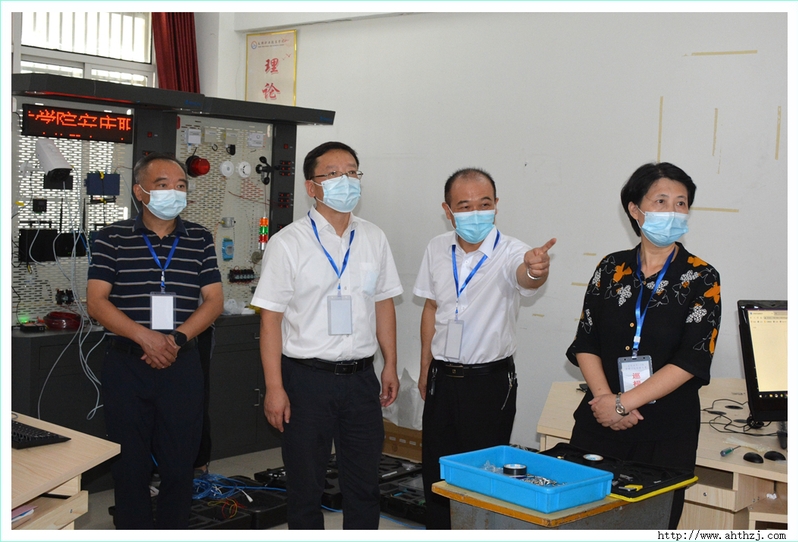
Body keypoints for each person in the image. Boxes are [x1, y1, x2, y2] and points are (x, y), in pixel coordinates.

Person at [250, 141, 403, 529]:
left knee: (364, 484)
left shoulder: (374, 237)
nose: (345, 180)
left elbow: (383, 303)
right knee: (306, 486)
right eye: (333, 174)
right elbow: (270, 322)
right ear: (311, 186)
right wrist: (274, 387)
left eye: (352, 172)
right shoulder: (288, 243)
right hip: (306, 380)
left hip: (361, 379)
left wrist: (390, 364)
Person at [566, 162, 721, 529]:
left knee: (651, 523)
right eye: (661, 201)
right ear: (635, 211)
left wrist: (623, 404)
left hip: (666, 431)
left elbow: (692, 359)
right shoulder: (610, 268)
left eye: (681, 203)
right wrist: (607, 402)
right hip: (600, 420)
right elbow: (586, 340)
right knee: (583, 521)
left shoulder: (702, 277)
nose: (673, 211)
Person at [413, 167, 556, 529]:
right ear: (448, 210)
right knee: (437, 471)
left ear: (496, 205)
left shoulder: (514, 252)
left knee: (483, 476)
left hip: (488, 382)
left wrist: (536, 270)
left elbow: (526, 277)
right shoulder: (436, 248)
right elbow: (431, 308)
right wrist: (425, 366)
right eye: (465, 205)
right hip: (442, 377)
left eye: (484, 203)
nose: (475, 212)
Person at [87, 153, 224, 529]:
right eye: (163, 185)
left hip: (182, 364)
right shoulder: (112, 237)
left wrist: (175, 339)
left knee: (180, 464)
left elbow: (214, 301)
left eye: (181, 186)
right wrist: (144, 337)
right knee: (129, 465)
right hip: (127, 364)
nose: (173, 192)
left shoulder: (199, 238)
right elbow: (97, 301)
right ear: (140, 191)